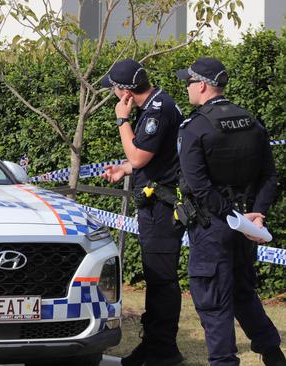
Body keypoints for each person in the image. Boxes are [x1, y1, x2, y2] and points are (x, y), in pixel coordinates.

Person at [176, 57, 285, 366]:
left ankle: (224, 362)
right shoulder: (252, 122)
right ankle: (272, 353)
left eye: (189, 82)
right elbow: (269, 176)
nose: (187, 88)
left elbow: (199, 187)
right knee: (242, 291)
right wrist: (256, 214)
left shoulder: (194, 128)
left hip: (214, 226)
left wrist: (230, 217)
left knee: (212, 300)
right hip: (247, 226)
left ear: (202, 85)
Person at [100, 59, 185, 366]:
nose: (112, 95)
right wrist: (125, 169)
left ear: (124, 91)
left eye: (112, 89)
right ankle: (155, 347)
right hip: (157, 203)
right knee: (157, 276)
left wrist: (122, 120)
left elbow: (137, 155)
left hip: (161, 208)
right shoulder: (158, 103)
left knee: (161, 278)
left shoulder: (156, 111)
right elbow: (149, 160)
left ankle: (163, 351)